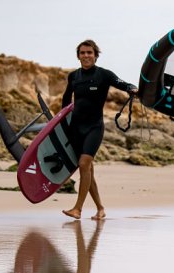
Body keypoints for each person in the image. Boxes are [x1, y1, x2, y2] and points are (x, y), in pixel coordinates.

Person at [61, 39, 137, 220]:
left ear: (96, 56)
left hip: (94, 127)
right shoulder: (74, 76)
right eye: (83, 53)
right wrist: (61, 122)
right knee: (88, 171)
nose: (86, 56)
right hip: (75, 127)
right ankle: (100, 209)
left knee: (84, 165)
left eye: (90, 53)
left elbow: (122, 84)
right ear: (78, 56)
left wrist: (132, 88)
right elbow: (66, 100)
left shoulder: (104, 75)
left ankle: (77, 209)